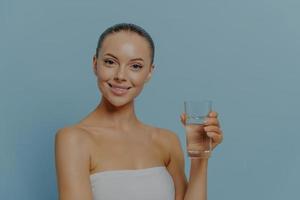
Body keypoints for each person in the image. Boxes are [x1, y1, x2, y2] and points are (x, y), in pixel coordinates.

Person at [55, 23, 223, 200]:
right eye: (110, 62)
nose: (121, 75)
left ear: (149, 72)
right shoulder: (74, 139)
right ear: (95, 64)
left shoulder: (167, 141)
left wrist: (201, 158)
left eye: (135, 66)